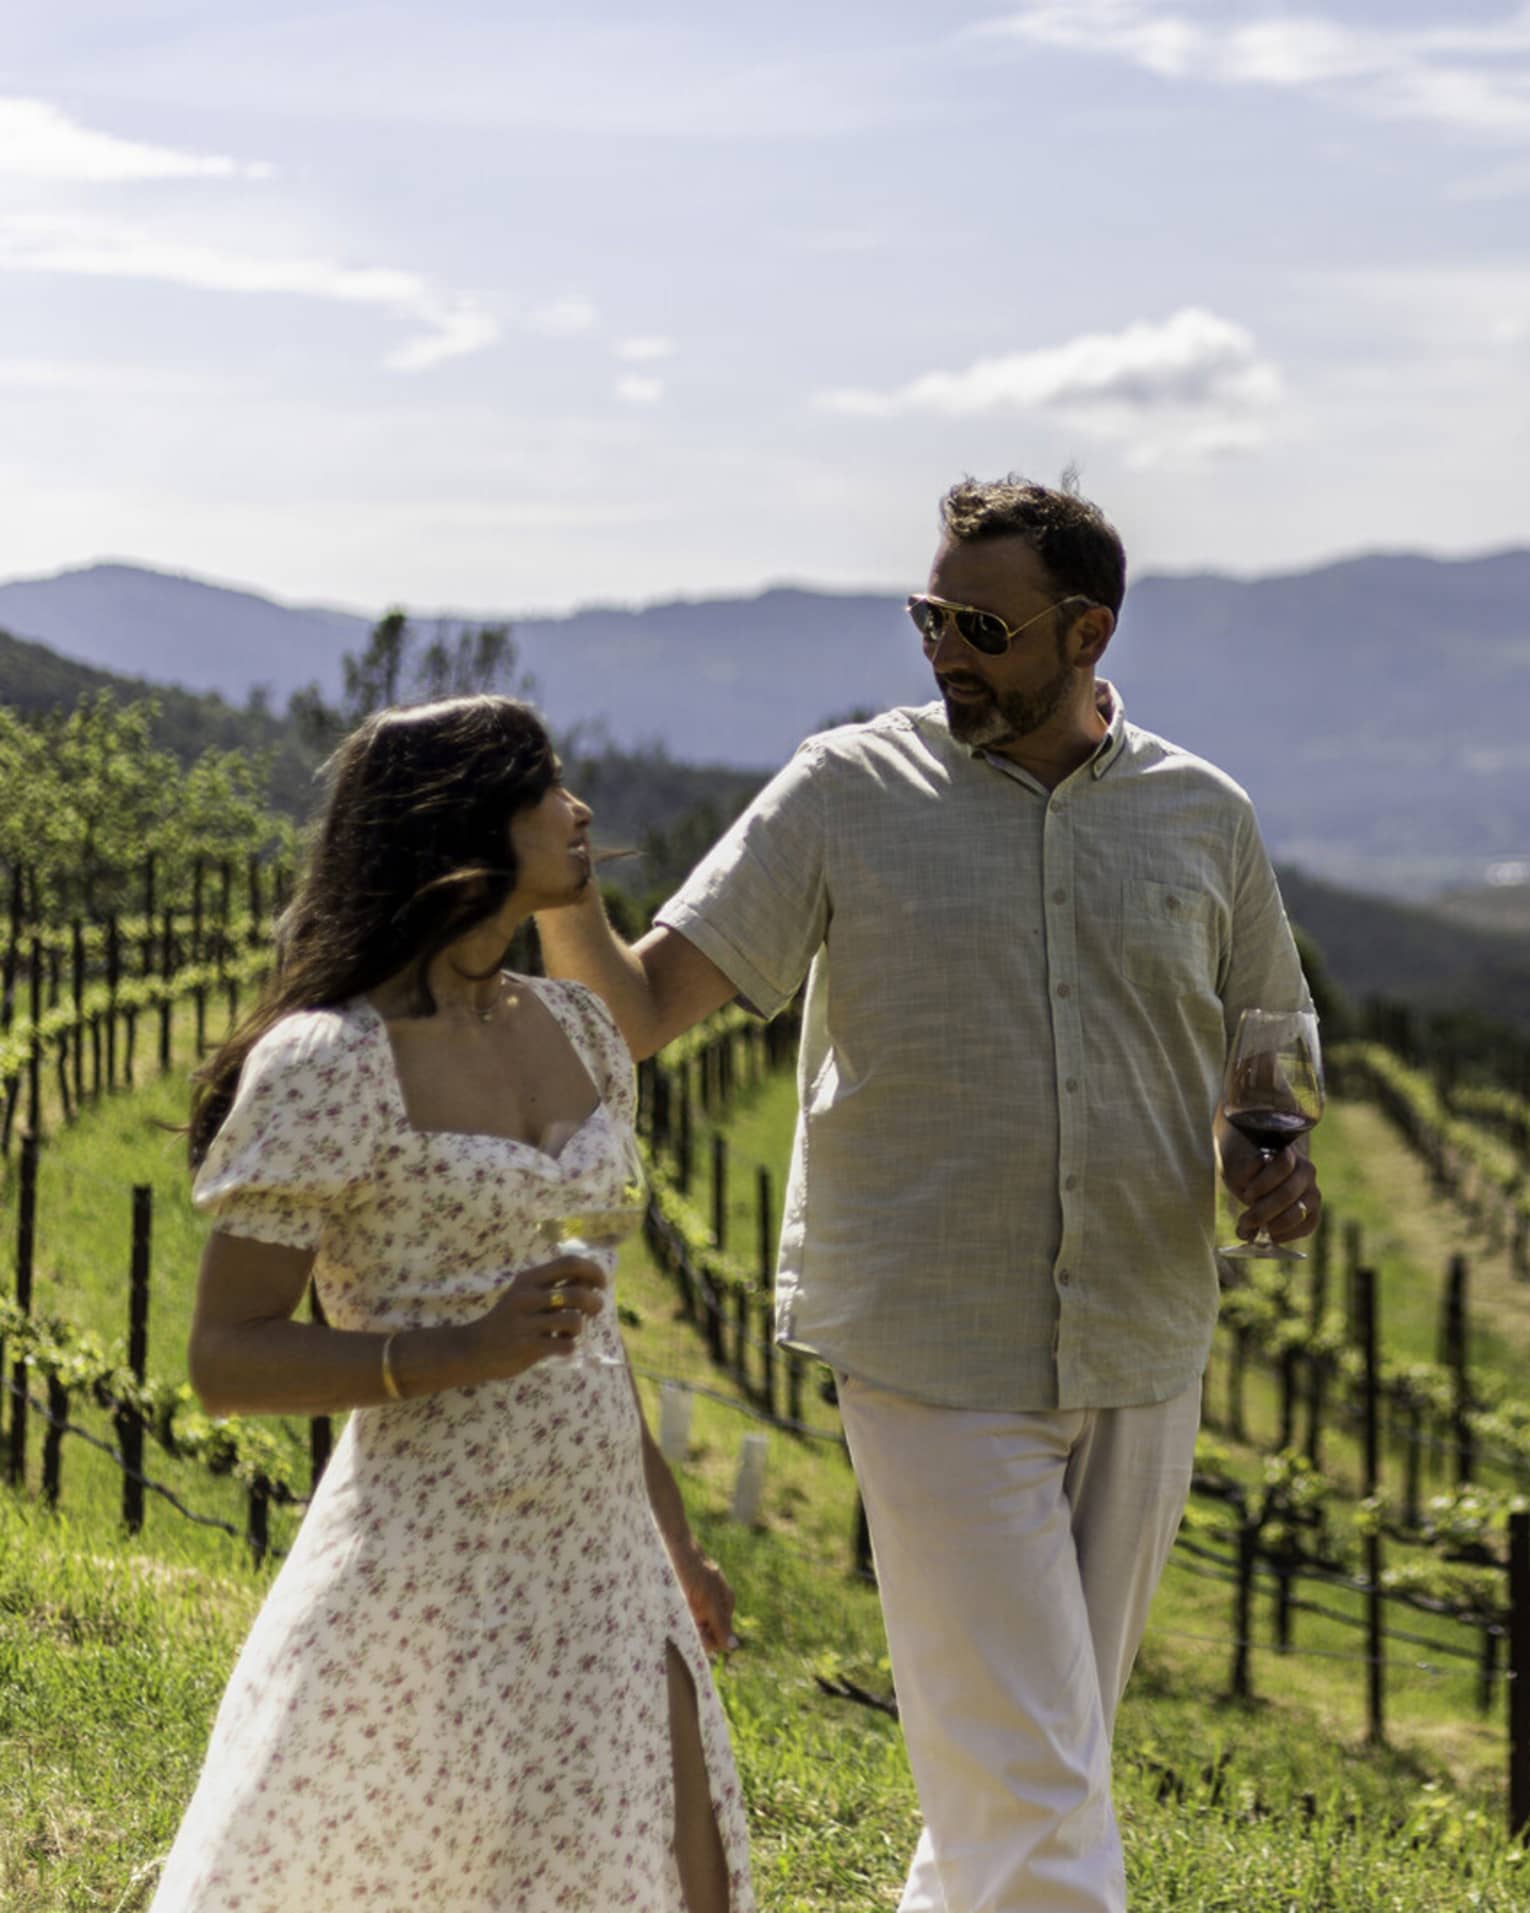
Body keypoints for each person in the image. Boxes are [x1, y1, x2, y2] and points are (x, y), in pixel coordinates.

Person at [535, 475, 1324, 1913]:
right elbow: (636, 1013)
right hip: (928, 1342)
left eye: (981, 626)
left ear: (1086, 632)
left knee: (1022, 1764)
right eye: (928, 616)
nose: (944, 649)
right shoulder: (845, 789)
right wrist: (557, 889)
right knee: (1031, 1780)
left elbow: (1263, 1052)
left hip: (1144, 1339)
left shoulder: (1205, 816)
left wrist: (1267, 1155)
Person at [150, 696, 754, 1913]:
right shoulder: (329, 1061)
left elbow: (589, 1325)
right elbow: (225, 1358)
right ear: (463, 819)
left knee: (668, 1872)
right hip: (429, 1560)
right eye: (547, 786)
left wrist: (674, 1533)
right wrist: (461, 1348)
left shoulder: (581, 1028)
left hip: (603, 1549)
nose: (579, 809)